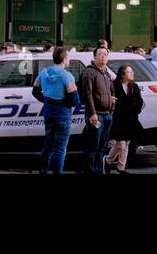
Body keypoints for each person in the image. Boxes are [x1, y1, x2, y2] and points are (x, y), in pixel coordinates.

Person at [33, 47, 79, 175]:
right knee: (60, 149)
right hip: (62, 115)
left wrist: (47, 101)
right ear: (64, 59)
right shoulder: (67, 76)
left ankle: (42, 171)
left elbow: (35, 91)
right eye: (68, 57)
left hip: (48, 113)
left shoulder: (44, 72)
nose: (69, 59)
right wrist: (64, 104)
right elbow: (75, 100)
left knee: (48, 145)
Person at [80, 48, 117, 175]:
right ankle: (91, 171)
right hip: (96, 116)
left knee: (102, 146)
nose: (103, 57)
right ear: (94, 57)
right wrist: (93, 113)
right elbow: (88, 94)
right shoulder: (90, 72)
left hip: (107, 115)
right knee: (92, 146)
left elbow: (112, 91)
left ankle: (98, 170)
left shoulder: (106, 73)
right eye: (100, 54)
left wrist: (112, 103)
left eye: (105, 55)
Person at [105, 65, 143, 174]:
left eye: (132, 71)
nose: (132, 73)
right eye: (129, 72)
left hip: (131, 120)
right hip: (119, 119)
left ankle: (121, 167)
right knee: (120, 145)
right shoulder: (115, 85)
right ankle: (107, 160)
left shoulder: (134, 86)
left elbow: (139, 102)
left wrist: (136, 111)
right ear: (122, 74)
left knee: (126, 144)